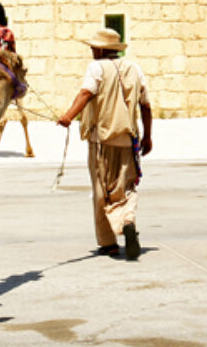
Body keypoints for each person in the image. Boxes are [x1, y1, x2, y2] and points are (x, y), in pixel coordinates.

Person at [57, 28, 154, 260]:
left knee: (102, 190)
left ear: (101, 49)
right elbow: (146, 105)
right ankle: (128, 219)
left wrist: (69, 116)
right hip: (129, 139)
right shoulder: (134, 68)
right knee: (127, 185)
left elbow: (85, 93)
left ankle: (109, 243)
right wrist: (148, 136)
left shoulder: (96, 67)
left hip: (102, 139)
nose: (91, 49)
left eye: (94, 46)